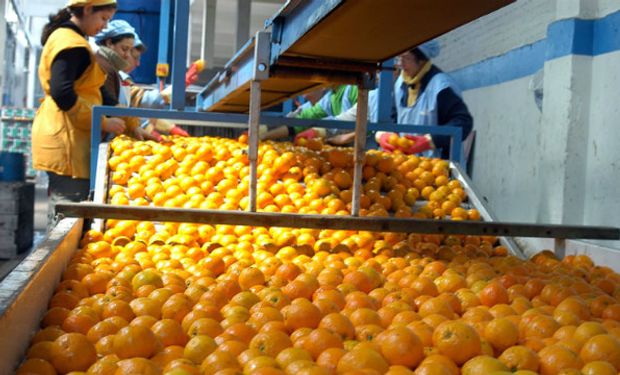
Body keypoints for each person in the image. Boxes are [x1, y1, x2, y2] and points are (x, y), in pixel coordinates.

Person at [32, 0, 125, 230]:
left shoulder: (76, 42)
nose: (104, 27)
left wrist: (132, 124)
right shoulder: (70, 43)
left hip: (71, 138)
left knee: (72, 216)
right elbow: (62, 93)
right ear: (86, 10)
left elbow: (97, 90)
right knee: (67, 219)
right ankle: (58, 266)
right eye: (103, 19)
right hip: (67, 140)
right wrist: (103, 122)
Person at [384, 40, 473, 159]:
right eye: (399, 58)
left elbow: (462, 122)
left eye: (406, 58)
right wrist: (387, 135)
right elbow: (393, 117)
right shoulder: (400, 84)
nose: (400, 63)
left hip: (438, 167)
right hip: (408, 164)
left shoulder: (441, 86)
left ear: (421, 60)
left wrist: (430, 141)